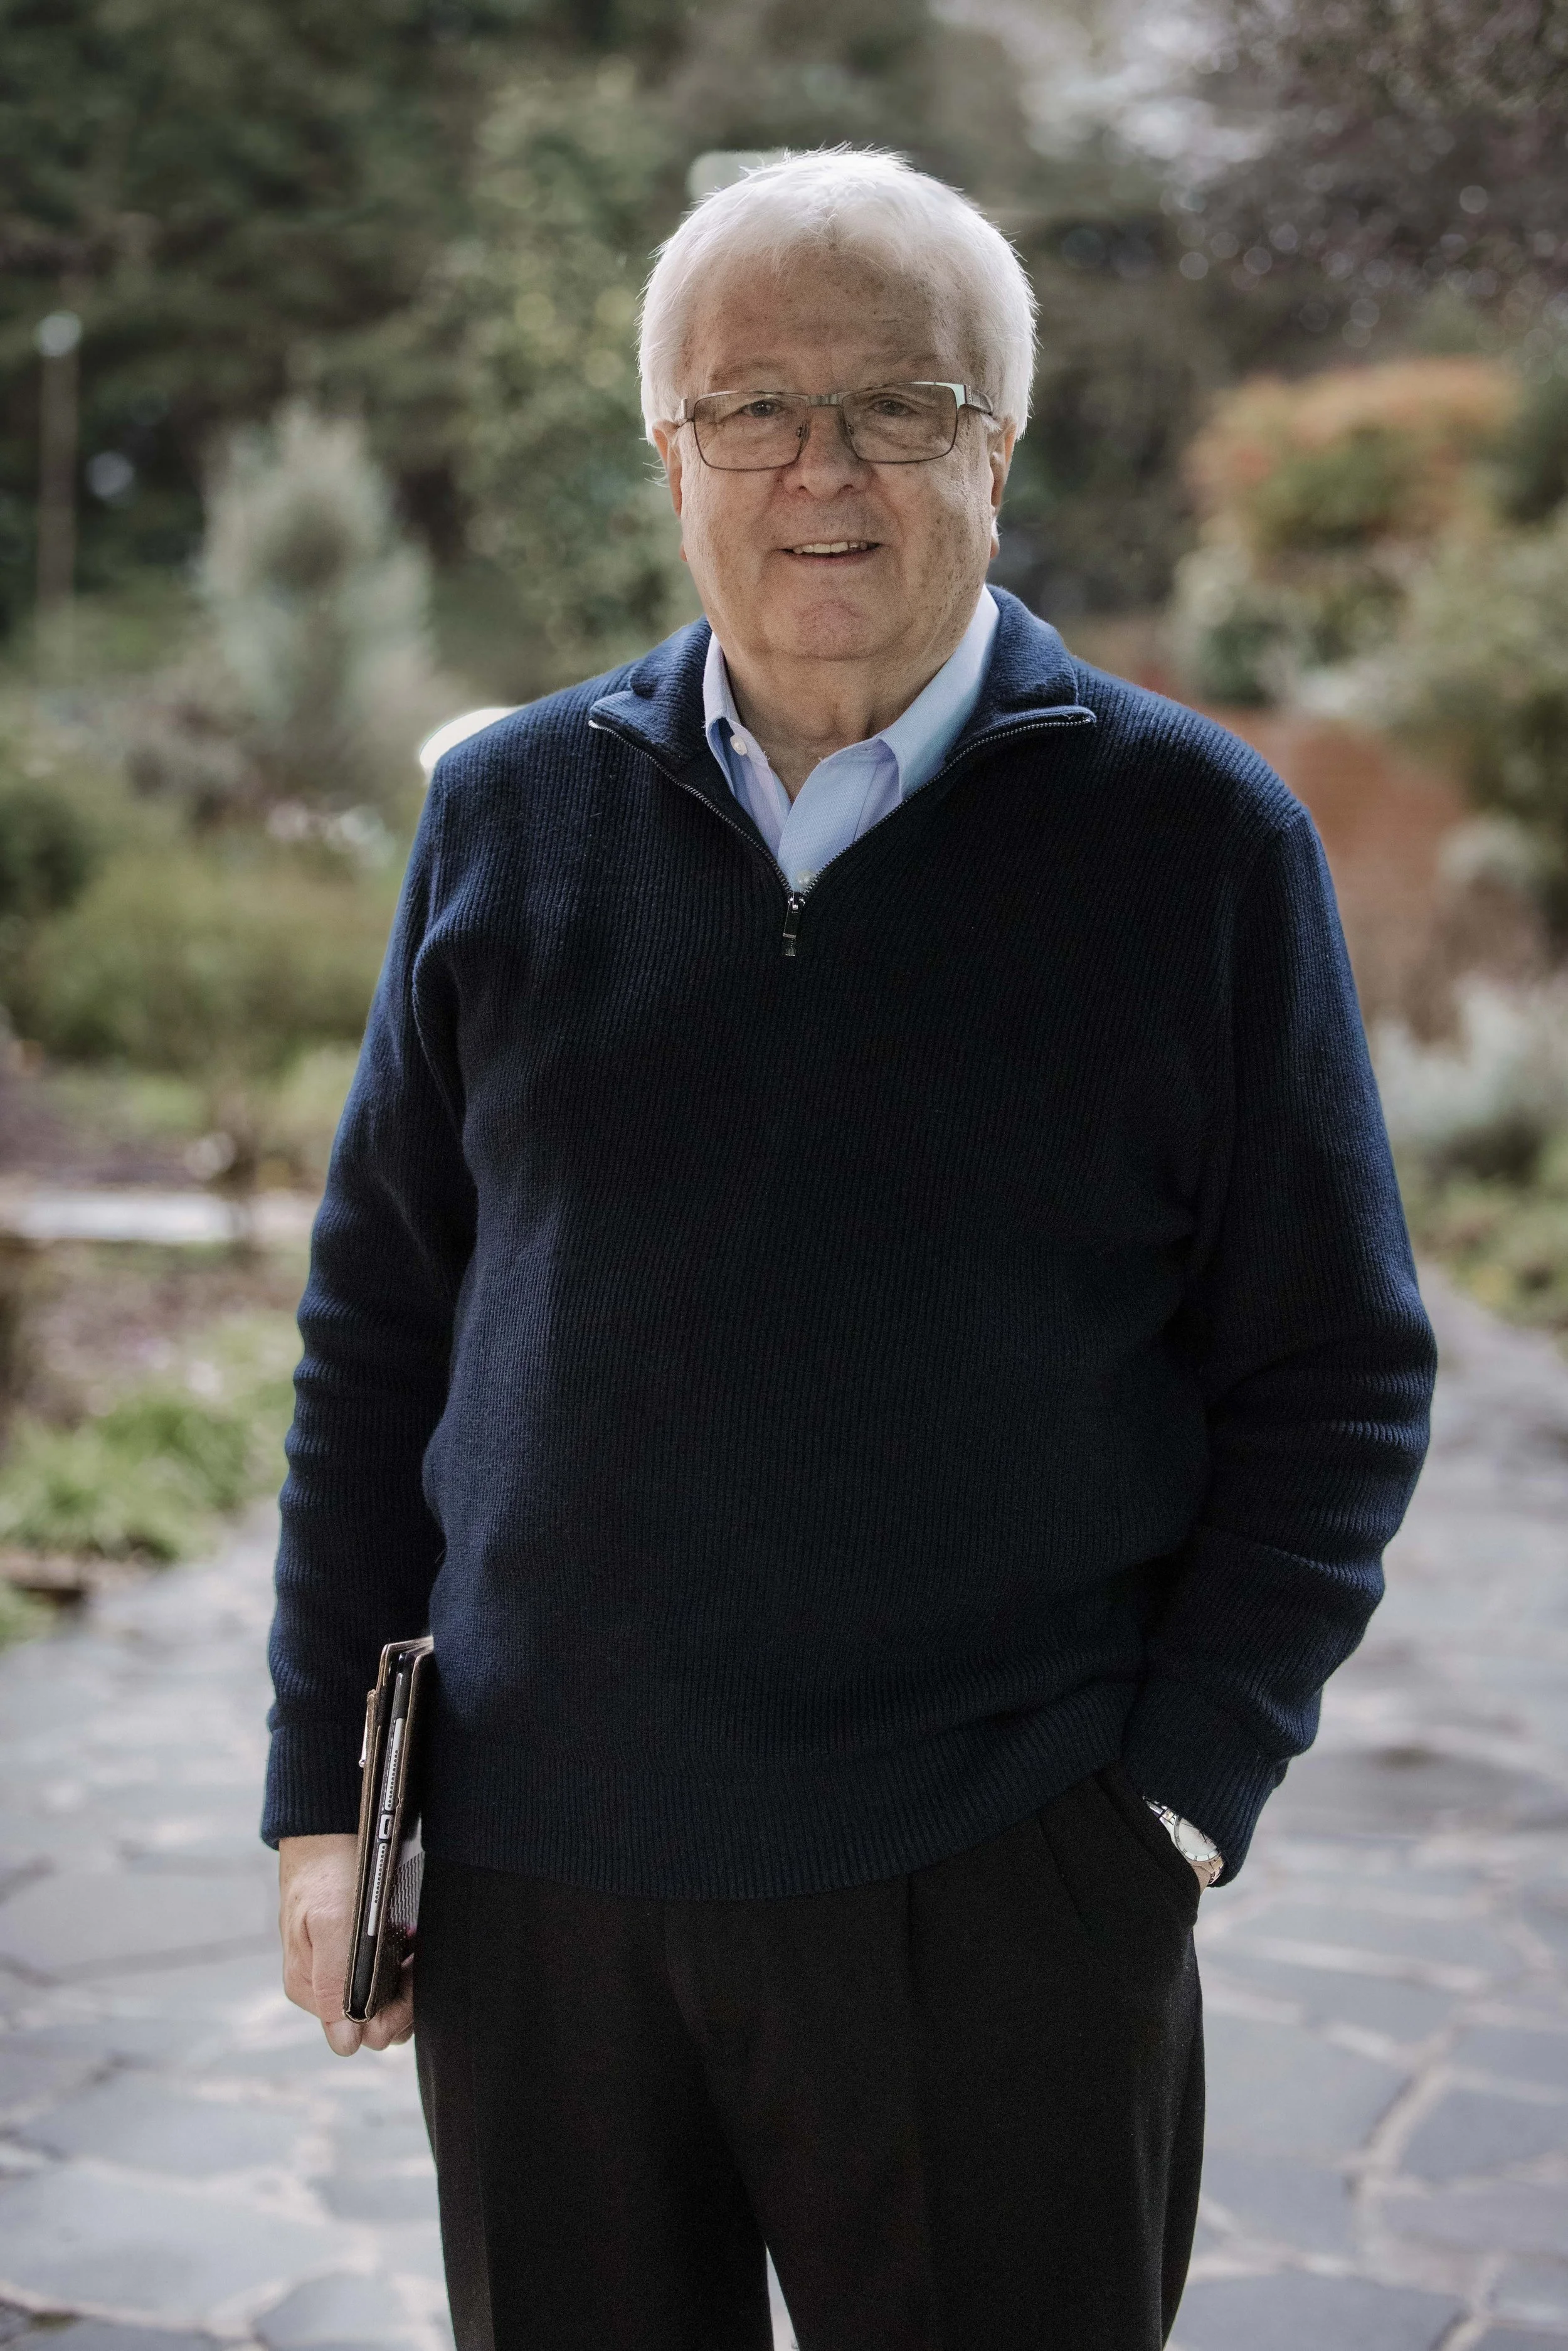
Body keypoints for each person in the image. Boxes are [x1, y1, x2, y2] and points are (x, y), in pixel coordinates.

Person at [267, 149, 1436, 2351]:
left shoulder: (1194, 844)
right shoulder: (507, 815)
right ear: (669, 453)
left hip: (997, 1885)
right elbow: (381, 1321)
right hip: (542, 1888)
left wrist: (1179, 1797)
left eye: (898, 404)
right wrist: (327, 1801)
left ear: (999, 445)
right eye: (751, 407)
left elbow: (1336, 1366)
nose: (822, 469)